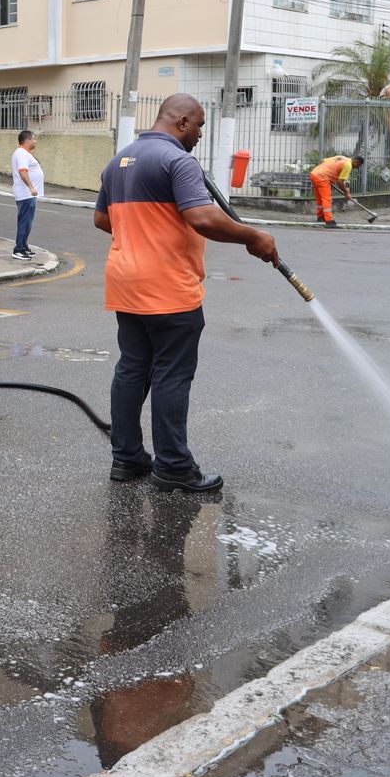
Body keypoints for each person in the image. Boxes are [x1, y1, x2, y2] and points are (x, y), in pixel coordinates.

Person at [93, 94, 278, 494]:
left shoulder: (118, 161)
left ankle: (126, 458)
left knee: (132, 369)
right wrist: (253, 237)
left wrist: (142, 236)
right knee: (171, 375)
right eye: (198, 126)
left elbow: (102, 219)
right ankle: (174, 467)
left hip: (126, 284)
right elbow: (202, 216)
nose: (199, 134)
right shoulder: (178, 161)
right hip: (168, 289)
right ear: (181, 122)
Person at [11, 129, 43, 261]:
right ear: (27, 140)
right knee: (24, 222)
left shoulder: (24, 153)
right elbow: (23, 172)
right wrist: (31, 187)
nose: (35, 141)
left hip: (28, 195)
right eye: (34, 139)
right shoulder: (22, 153)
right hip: (26, 194)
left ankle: (24, 247)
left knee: (27, 222)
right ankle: (18, 249)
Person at [309, 154, 364, 228]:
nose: (357, 168)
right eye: (359, 166)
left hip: (314, 174)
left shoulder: (341, 157)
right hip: (322, 178)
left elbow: (323, 161)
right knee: (327, 199)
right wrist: (346, 193)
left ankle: (320, 217)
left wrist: (326, 173)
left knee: (320, 199)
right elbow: (340, 181)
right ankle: (329, 221)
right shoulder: (348, 165)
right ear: (356, 162)